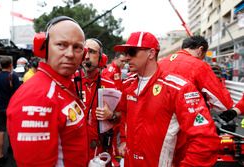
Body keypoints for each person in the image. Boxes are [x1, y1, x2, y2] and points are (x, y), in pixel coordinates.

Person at [114, 31, 220, 166]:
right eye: (125, 53)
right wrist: (123, 139)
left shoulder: (179, 88)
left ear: (151, 53)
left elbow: (206, 139)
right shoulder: (128, 84)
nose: (126, 57)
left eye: (131, 52)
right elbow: (124, 114)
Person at [6, 16, 88, 167]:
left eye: (77, 47)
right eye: (61, 45)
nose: (70, 54)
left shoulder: (62, 86)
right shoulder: (37, 96)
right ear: (43, 48)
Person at [158, 35, 234, 114]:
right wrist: (218, 80)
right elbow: (223, 104)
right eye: (203, 56)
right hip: (185, 117)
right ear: (200, 49)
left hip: (157, 115)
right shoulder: (199, 65)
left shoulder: (160, 63)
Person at [79, 38, 120, 163]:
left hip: (102, 152)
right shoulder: (70, 83)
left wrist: (111, 115)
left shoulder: (110, 86)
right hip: (77, 152)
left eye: (91, 52)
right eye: (84, 51)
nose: (86, 56)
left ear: (101, 58)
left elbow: (121, 117)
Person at [0, 56, 20, 166]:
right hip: (11, 107)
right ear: (10, 65)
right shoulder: (13, 76)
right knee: (12, 128)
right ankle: (12, 149)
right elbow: (18, 93)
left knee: (0, 130)